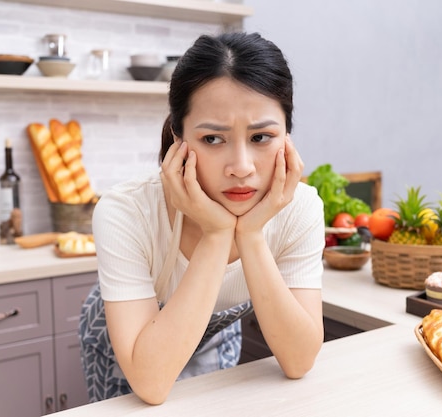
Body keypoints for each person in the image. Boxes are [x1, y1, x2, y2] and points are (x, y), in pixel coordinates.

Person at [81, 31, 326, 406]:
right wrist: (216, 234)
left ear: (287, 137)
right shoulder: (125, 211)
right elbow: (149, 382)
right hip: (131, 346)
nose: (241, 168)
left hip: (215, 335)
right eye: (213, 139)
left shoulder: (301, 209)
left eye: (261, 137)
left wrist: (253, 234)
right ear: (179, 138)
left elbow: (299, 361)